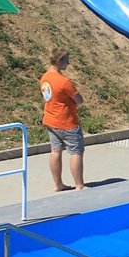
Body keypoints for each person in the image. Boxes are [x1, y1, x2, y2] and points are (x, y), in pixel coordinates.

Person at [40, 48, 86, 191]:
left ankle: (58, 184)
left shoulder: (45, 78)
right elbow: (79, 100)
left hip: (51, 121)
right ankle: (79, 185)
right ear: (59, 61)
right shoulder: (64, 81)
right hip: (67, 123)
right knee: (76, 152)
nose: (69, 63)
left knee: (55, 151)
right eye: (67, 60)